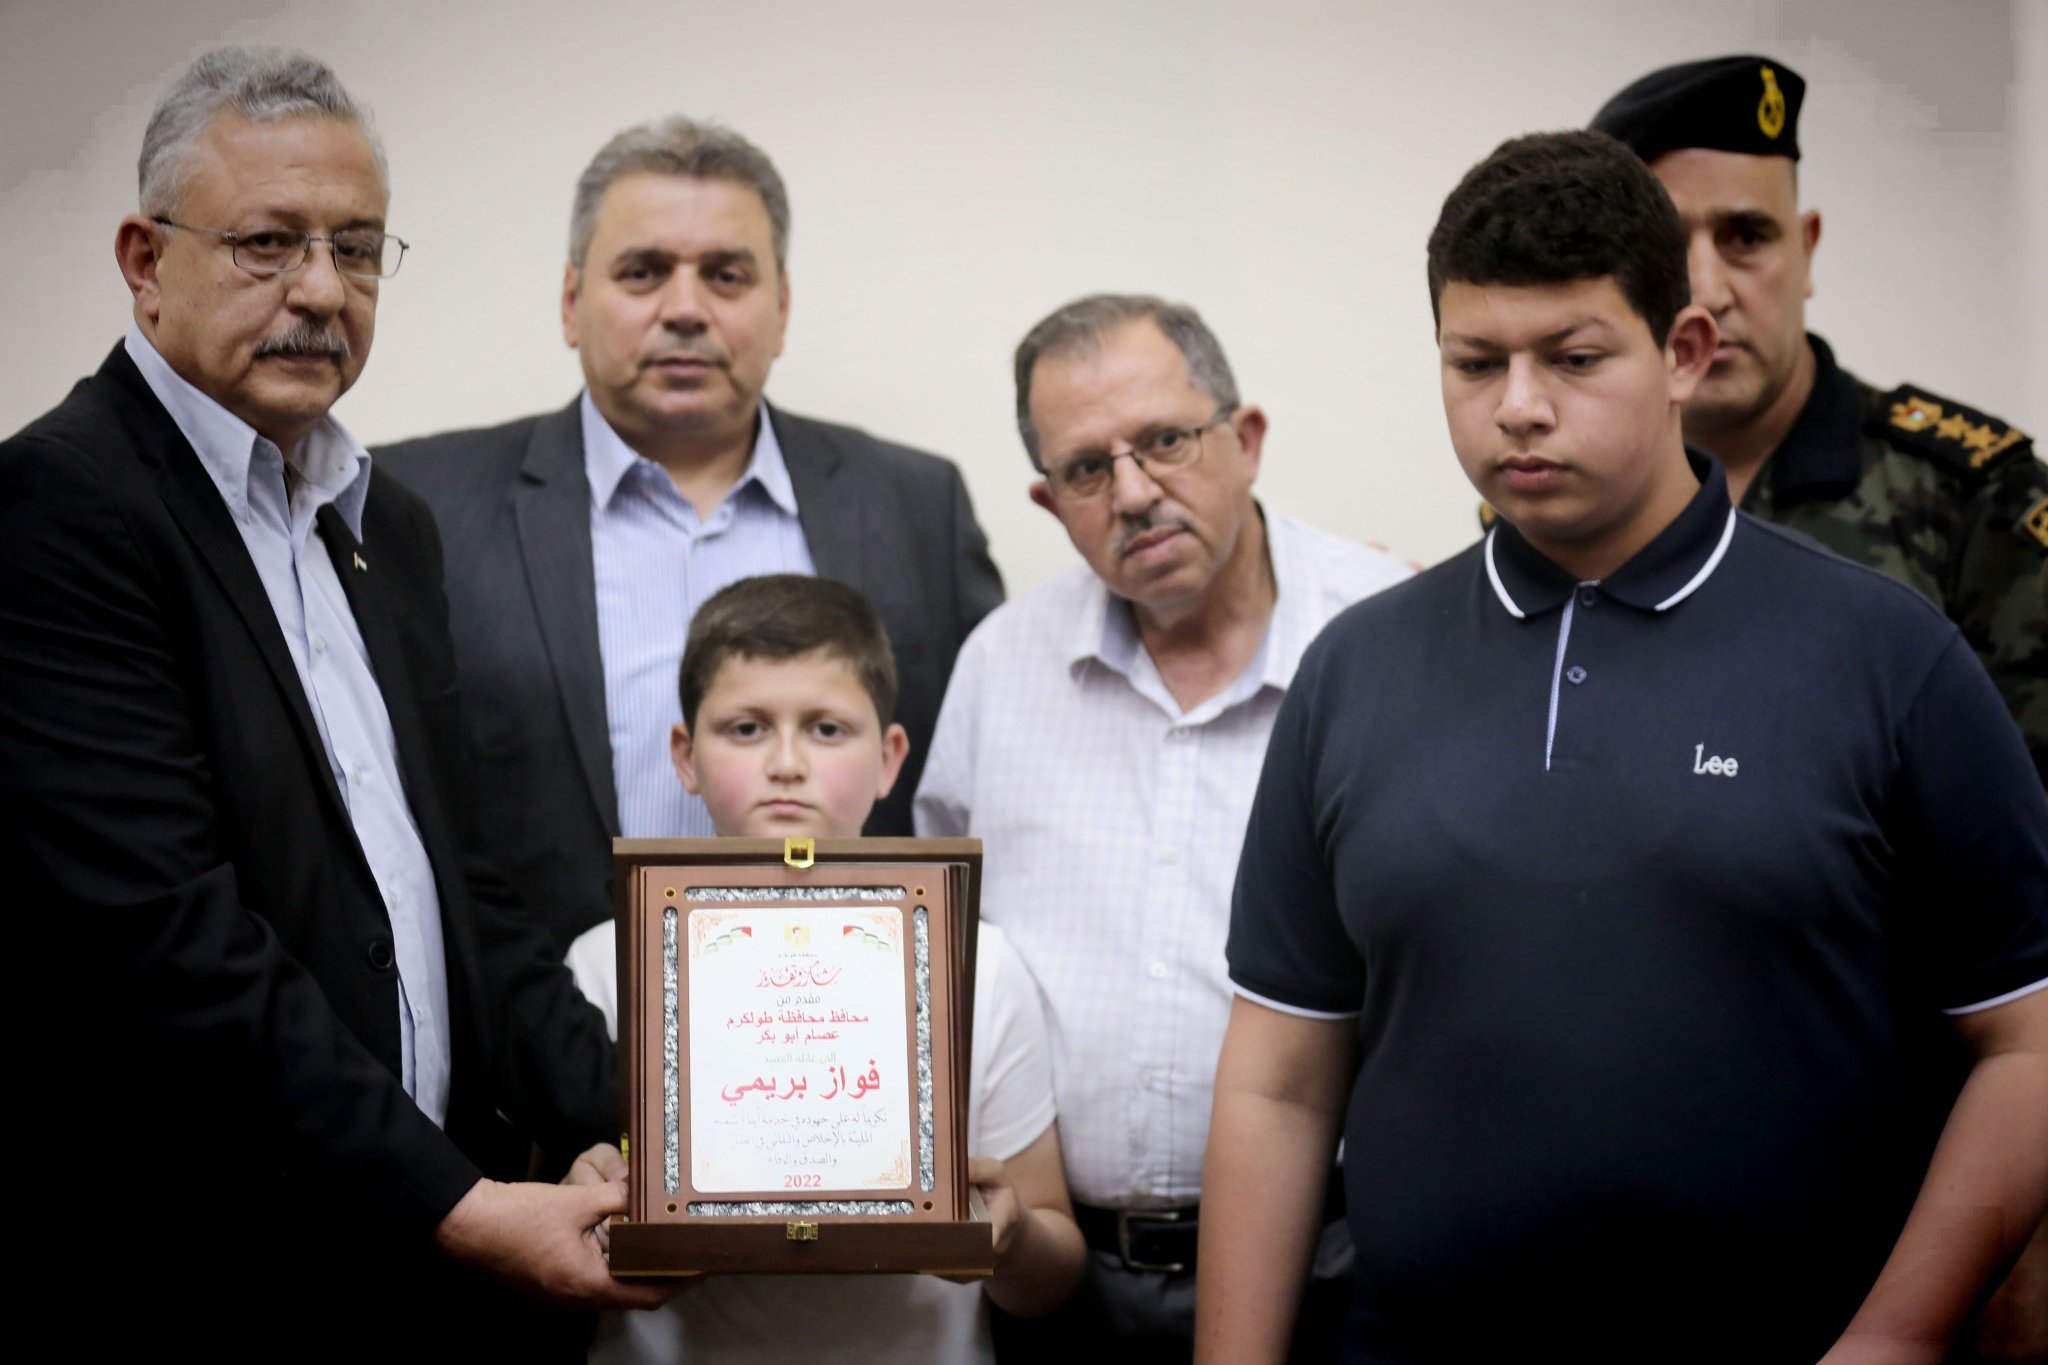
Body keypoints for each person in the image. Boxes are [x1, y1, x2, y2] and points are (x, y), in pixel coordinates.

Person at [1197, 129, 2048, 1365]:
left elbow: (2024, 1042)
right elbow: (1277, 1081)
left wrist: (1895, 1341)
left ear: (1680, 353)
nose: (1518, 406)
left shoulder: (1883, 656)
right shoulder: (1353, 670)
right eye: (1474, 362)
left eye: (1574, 357)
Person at [0, 47, 672, 1358]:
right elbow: (166, 941)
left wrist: (662, 1130)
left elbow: (462, 888)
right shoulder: (60, 506)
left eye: (357, 249)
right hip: (205, 1274)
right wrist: (464, 1208)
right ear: (146, 260)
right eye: (268, 243)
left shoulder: (385, 526)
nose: (321, 288)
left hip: (421, 1278)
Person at [915, 295, 1411, 1360]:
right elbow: (949, 959)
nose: (1134, 492)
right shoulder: (999, 668)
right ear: (1050, 502)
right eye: (1087, 469)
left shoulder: (1391, 637)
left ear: (1247, 439)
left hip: (1342, 1269)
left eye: (1166, 441)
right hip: (1061, 1286)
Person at [378, 117, 1002, 956]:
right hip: (535, 1023)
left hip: (841, 1016)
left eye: (725, 275)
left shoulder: (916, 505)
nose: (684, 309)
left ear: (782, 308)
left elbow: (978, 786)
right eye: (642, 272)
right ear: (571, 302)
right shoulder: (420, 507)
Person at [560, 573, 1084, 1363]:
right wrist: (582, 1202)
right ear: (685, 756)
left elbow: (1052, 1275)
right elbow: (544, 1264)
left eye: (827, 729)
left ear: (889, 757)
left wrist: (1004, 1239)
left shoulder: (980, 964)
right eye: (745, 728)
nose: (786, 762)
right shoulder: (605, 962)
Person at [1590, 55, 2046, 780]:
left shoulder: (1975, 502)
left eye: (1746, 237)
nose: (1707, 290)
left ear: (1805, 250)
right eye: (1665, 250)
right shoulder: (1575, 496)